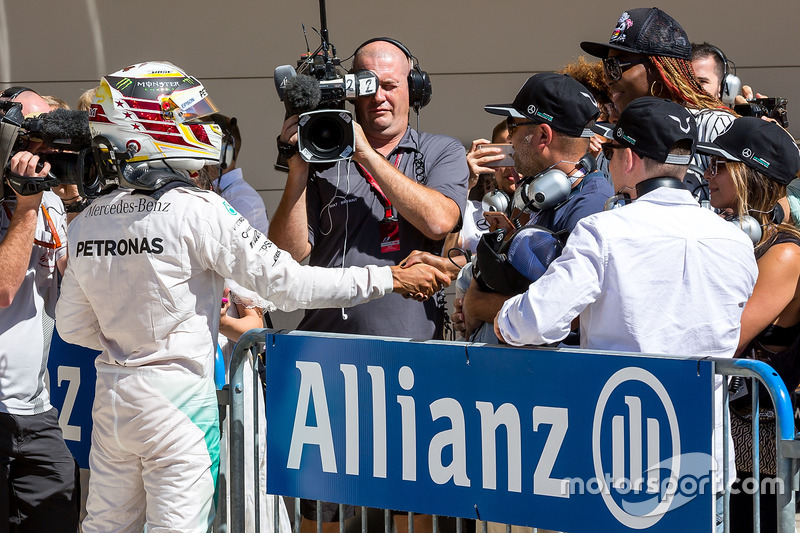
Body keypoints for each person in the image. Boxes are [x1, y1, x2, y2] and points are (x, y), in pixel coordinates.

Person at [54, 61, 448, 533]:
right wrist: (390, 280)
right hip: (180, 404)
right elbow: (289, 285)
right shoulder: (199, 210)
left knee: (102, 526)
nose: (203, 128)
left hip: (114, 401)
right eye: (191, 118)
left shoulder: (88, 219)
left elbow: (72, 328)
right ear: (150, 126)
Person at [493, 97, 758, 532]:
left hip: (621, 458)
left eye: (612, 152)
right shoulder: (734, 241)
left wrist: (503, 316)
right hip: (705, 456)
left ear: (629, 157)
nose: (608, 162)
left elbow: (534, 321)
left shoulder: (605, 230)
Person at [270, 36, 467, 532]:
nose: (379, 95)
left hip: (410, 367)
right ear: (350, 92)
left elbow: (441, 219)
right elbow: (288, 256)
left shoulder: (439, 151)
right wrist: (297, 169)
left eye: (391, 85)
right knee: (322, 514)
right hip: (326, 368)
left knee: (411, 514)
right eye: (367, 85)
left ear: (412, 90)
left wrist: (362, 153)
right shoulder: (321, 153)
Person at [695, 116, 800, 533]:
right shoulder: (730, 239)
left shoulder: (785, 252)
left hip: (763, 445)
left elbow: (728, 338)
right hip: (726, 437)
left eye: (720, 166)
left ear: (751, 175)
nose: (709, 175)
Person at [455, 72, 614, 342]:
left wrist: (478, 305)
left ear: (542, 135)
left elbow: (567, 316)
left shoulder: (591, 206)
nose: (510, 140)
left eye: (513, 125)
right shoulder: (536, 193)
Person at [0, 87, 79, 532]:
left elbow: (73, 291)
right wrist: (26, 206)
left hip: (36, 411)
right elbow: (4, 290)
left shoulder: (48, 202)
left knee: (57, 510)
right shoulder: (35, 203)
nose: (43, 149)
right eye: (32, 136)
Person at [580, 7, 735, 202]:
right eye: (606, 66)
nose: (608, 79)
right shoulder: (614, 147)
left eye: (616, 66)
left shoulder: (716, 129)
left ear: (658, 69)